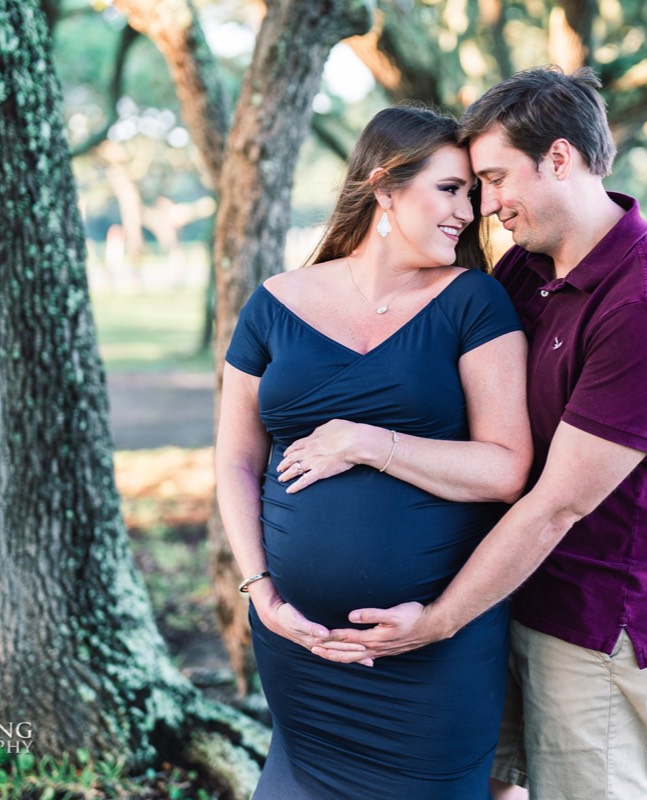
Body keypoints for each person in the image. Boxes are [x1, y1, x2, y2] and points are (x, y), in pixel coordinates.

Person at [318, 68, 647, 800]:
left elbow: (556, 504)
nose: (485, 206)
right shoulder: (527, 269)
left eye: (495, 179)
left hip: (597, 614)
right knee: (487, 786)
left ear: (559, 159)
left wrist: (435, 623)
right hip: (507, 588)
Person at [215, 105, 532, 799]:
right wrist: (260, 591)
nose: (468, 212)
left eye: (473, 196)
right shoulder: (273, 305)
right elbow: (236, 461)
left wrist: (368, 443)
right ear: (385, 186)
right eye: (450, 189)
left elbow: (507, 468)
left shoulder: (474, 302)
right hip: (301, 647)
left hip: (433, 654)